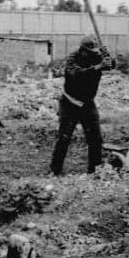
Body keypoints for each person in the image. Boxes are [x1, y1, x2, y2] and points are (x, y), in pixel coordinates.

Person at [50, 34, 113, 176]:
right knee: (64, 138)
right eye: (91, 52)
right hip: (69, 103)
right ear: (83, 50)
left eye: (96, 52)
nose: (94, 54)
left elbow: (111, 65)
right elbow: (75, 74)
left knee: (95, 139)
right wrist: (98, 67)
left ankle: (94, 170)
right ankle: (55, 170)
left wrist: (108, 57)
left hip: (87, 104)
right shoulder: (73, 58)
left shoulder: (96, 57)